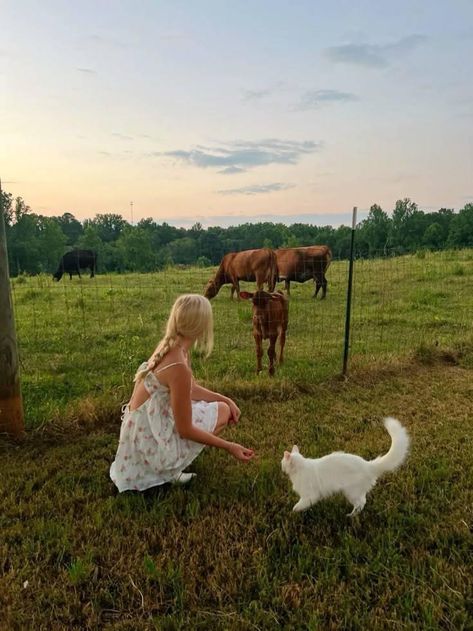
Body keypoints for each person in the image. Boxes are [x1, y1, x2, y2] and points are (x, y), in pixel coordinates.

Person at [110, 293, 254, 492]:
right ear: (200, 327)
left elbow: (190, 389)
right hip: (148, 441)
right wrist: (229, 446)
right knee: (220, 413)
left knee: (222, 408)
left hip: (143, 432)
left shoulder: (171, 345)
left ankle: (166, 466)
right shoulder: (178, 365)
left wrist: (226, 399)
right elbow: (184, 429)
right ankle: (167, 471)